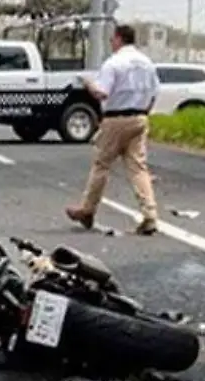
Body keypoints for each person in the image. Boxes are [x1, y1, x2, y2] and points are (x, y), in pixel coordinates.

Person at [65, 23, 161, 235]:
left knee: (102, 164)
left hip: (116, 118)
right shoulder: (147, 63)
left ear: (118, 38)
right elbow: (154, 94)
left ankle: (88, 209)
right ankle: (150, 214)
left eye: (112, 39)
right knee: (138, 168)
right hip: (139, 117)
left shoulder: (114, 63)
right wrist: (144, 113)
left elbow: (101, 93)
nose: (111, 43)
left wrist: (88, 83)